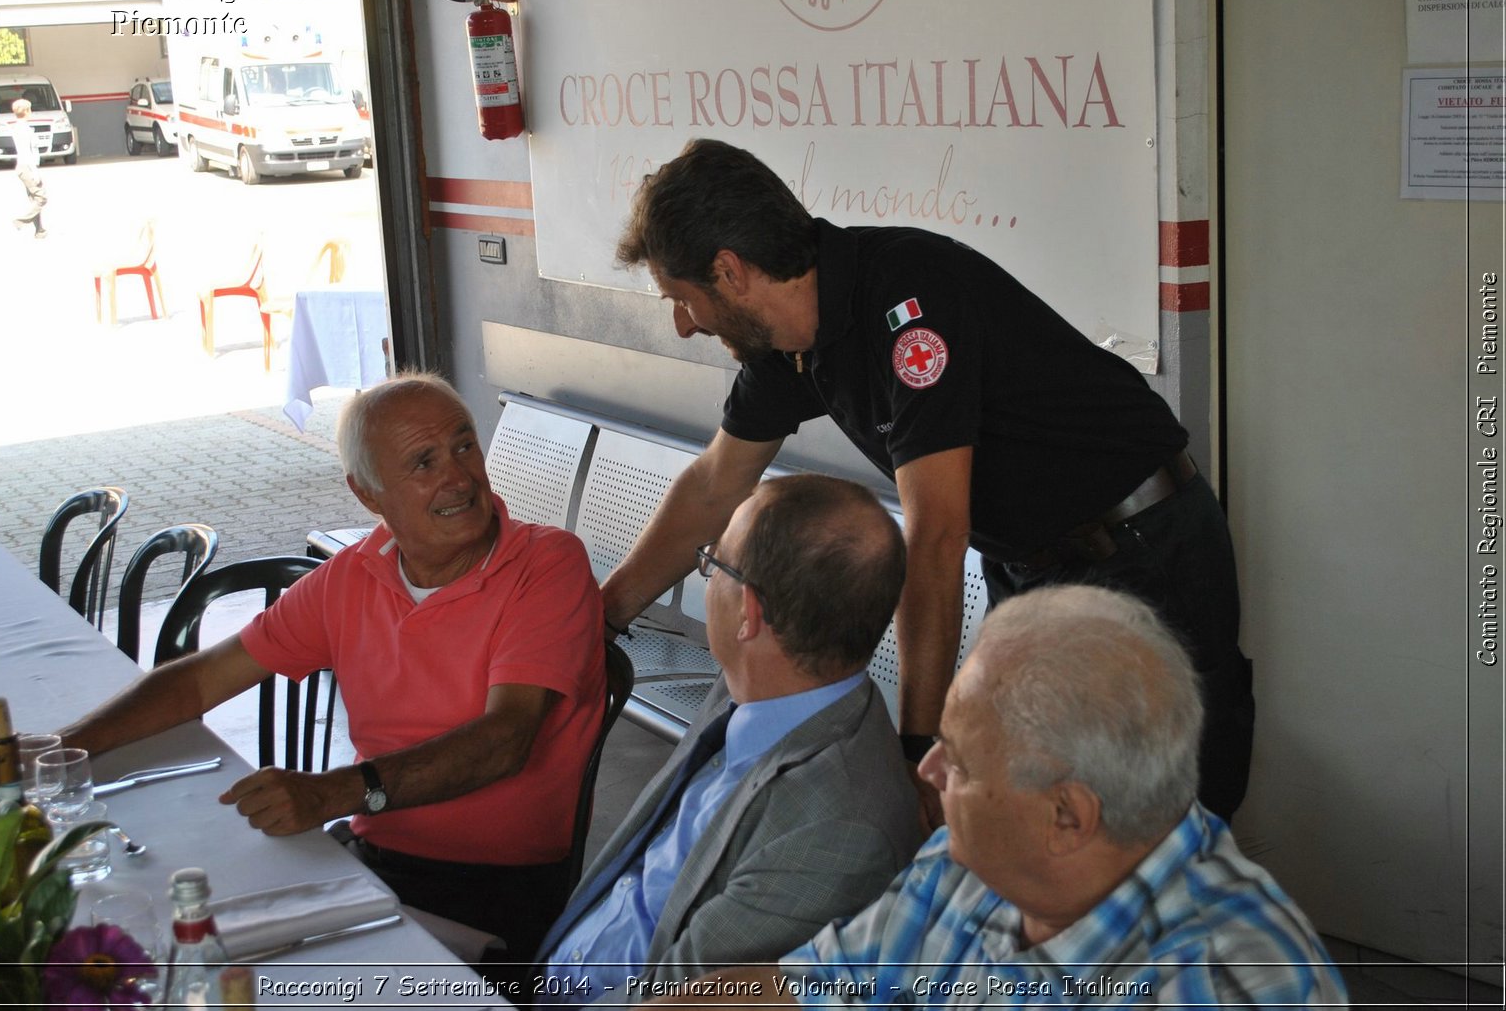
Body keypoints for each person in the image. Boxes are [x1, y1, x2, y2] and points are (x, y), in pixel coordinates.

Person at [601, 138, 1252, 822]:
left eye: (680, 297)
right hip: (1032, 568)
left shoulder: (909, 296)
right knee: (1052, 824)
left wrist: (917, 756)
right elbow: (714, 484)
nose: (681, 324)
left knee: (1165, 820)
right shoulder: (788, 347)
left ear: (730, 271)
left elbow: (937, 535)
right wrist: (602, 617)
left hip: (1139, 550)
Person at [0, 372, 607, 960]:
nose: (459, 478)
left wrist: (332, 792)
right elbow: (201, 678)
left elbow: (504, 741)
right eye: (423, 463)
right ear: (367, 493)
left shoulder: (546, 564)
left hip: (498, 889)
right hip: (374, 855)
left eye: (464, 447)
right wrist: (67, 743)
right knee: (172, 932)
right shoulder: (355, 576)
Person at [644, 585, 1348, 1009]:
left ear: (1067, 815)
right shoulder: (971, 864)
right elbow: (808, 988)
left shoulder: (1224, 983)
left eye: (964, 762)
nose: (929, 773)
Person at [534, 474, 922, 1005]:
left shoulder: (836, 831)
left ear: (749, 613)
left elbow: (670, 999)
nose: (706, 572)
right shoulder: (756, 683)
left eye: (713, 563)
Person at [9, 97, 47, 239]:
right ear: (26, 111)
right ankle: (21, 220)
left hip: (22, 165)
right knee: (41, 198)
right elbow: (27, 151)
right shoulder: (24, 129)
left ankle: (40, 230)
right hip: (27, 166)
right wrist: (35, 172)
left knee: (34, 199)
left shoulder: (16, 127)